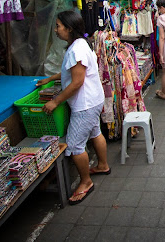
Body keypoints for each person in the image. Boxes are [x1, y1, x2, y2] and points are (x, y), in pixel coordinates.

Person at [36, 10, 109, 205]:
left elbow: (77, 82)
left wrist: (55, 101)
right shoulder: (81, 44)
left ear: (69, 28)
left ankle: (85, 182)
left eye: (58, 26)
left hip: (85, 104)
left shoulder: (77, 49)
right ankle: (102, 165)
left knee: (75, 144)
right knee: (95, 132)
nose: (56, 29)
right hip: (93, 99)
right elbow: (71, 73)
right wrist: (51, 78)